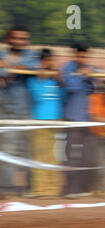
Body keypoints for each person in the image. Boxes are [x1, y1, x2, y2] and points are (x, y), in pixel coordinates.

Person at [0, 25, 39, 196]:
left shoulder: (32, 56)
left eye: (23, 39)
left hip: (27, 111)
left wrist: (8, 67)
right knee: (7, 150)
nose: (19, 42)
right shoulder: (1, 55)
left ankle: (28, 188)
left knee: (28, 150)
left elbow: (34, 67)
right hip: (6, 111)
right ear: (9, 39)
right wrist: (10, 68)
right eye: (16, 38)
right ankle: (7, 189)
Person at [26, 48, 65, 198]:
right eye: (45, 60)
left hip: (57, 121)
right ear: (41, 60)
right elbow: (37, 97)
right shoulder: (34, 78)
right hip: (40, 120)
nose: (48, 62)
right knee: (40, 155)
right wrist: (41, 78)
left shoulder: (57, 77)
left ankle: (53, 189)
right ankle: (41, 190)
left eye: (50, 59)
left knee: (55, 155)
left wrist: (59, 77)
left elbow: (64, 93)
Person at [61, 43, 97, 198]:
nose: (82, 58)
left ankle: (83, 187)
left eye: (85, 55)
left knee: (87, 155)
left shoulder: (89, 68)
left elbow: (93, 89)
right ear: (75, 55)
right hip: (72, 118)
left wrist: (89, 77)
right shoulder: (68, 68)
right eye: (80, 55)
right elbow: (70, 87)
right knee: (72, 155)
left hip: (87, 119)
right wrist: (82, 75)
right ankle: (71, 189)